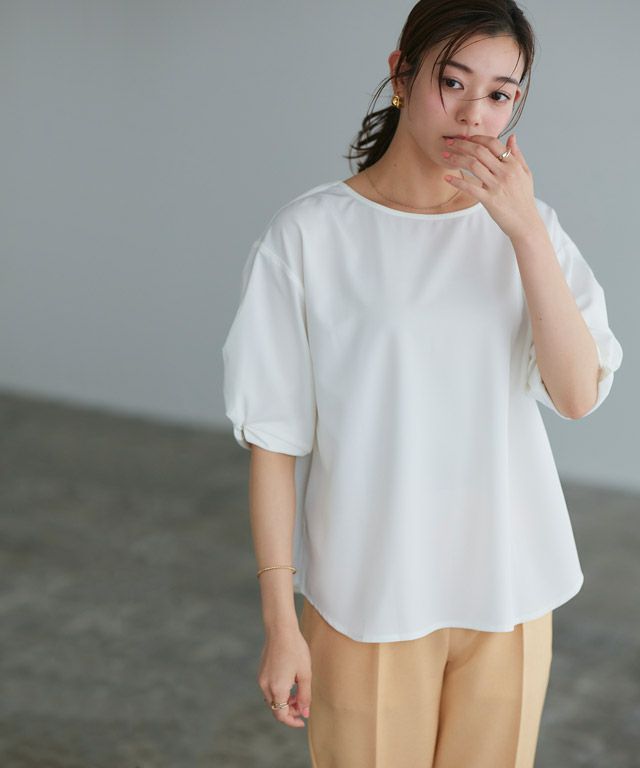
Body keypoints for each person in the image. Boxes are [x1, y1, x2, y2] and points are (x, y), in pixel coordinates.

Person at [221, 1, 624, 766]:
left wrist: (525, 231)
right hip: (368, 597)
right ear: (401, 74)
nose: (474, 114)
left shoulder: (530, 229)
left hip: (509, 590)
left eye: (500, 94)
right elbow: (274, 440)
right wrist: (281, 622)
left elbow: (577, 396)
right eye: (453, 81)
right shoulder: (310, 235)